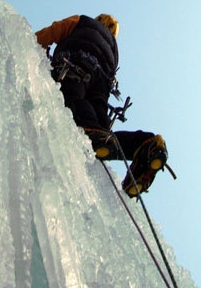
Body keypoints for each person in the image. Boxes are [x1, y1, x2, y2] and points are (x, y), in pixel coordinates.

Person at [35, 14, 168, 197]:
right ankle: (143, 144)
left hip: (75, 63)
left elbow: (54, 31)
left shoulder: (82, 21)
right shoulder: (114, 49)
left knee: (73, 102)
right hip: (101, 83)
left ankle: (93, 131)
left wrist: (30, 43)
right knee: (102, 131)